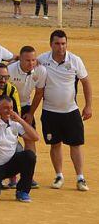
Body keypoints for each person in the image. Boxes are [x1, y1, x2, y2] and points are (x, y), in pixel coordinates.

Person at [31, 30, 92, 191]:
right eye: (57, 44)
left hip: (71, 110)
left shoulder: (75, 60)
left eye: (63, 43)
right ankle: (59, 175)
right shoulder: (42, 60)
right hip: (50, 111)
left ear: (67, 44)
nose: (61, 47)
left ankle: (80, 177)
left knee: (76, 144)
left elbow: (86, 82)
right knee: (55, 144)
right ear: (51, 44)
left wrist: (88, 105)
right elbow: (29, 68)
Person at [0, 97, 39, 202]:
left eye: (11, 108)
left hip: (10, 164)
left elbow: (35, 137)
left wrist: (20, 120)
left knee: (29, 156)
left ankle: (23, 191)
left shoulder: (14, 123)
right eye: (5, 108)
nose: (9, 111)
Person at [8, 46, 46, 152]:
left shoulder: (41, 71)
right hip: (10, 107)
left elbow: (39, 93)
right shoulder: (10, 70)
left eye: (33, 60)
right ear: (20, 59)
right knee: (9, 137)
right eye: (27, 60)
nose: (31, 64)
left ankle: (29, 167)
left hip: (25, 105)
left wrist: (31, 113)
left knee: (29, 139)